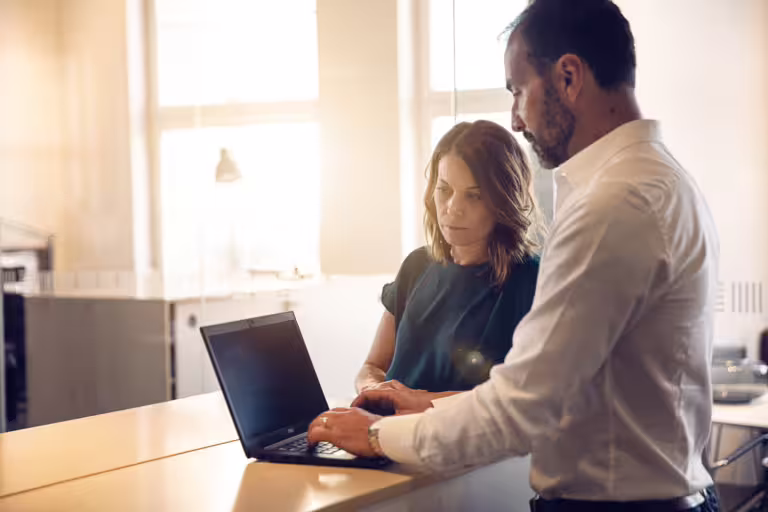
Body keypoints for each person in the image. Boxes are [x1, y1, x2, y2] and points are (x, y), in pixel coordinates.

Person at [309, 0, 721, 510]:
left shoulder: (613, 204)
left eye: (518, 91)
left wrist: (376, 436)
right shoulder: (663, 180)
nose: (516, 120)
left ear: (569, 77)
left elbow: (521, 407)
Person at [355, 120, 541, 396]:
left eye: (474, 196)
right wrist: (373, 391)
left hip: (456, 438)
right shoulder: (416, 266)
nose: (453, 209)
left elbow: (516, 400)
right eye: (444, 190)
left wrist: (411, 402)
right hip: (385, 430)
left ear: (504, 201)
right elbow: (372, 366)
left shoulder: (531, 280)